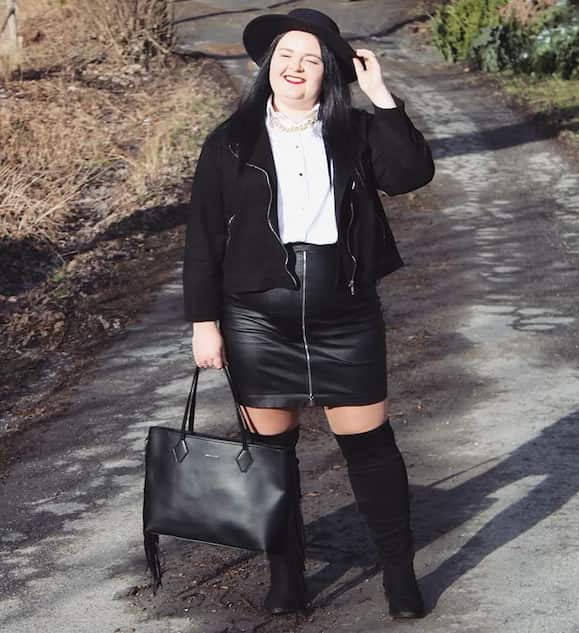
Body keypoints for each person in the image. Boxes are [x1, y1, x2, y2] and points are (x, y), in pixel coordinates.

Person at [183, 7, 435, 620]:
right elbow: (203, 237)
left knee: (372, 449)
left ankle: (400, 575)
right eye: (286, 57)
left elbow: (410, 174)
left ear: (330, 71)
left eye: (312, 59)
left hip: (344, 315)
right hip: (256, 319)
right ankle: (286, 574)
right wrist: (203, 323)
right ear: (268, 65)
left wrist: (380, 97)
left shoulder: (353, 131)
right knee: (271, 460)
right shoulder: (231, 140)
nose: (297, 68)